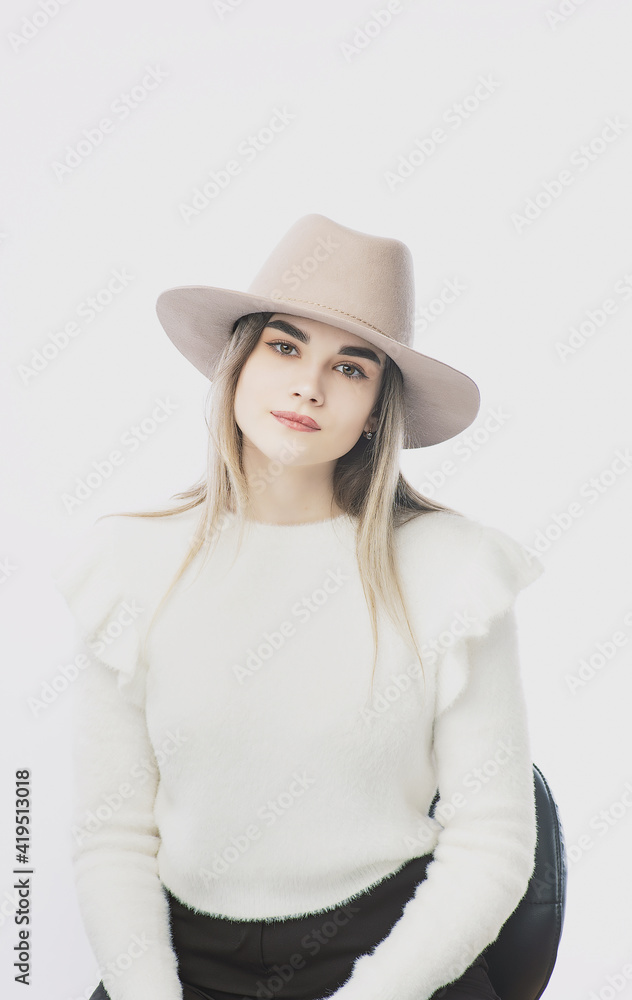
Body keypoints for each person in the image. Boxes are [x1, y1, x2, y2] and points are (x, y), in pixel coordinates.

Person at [52, 214, 545, 1000]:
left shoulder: (455, 568)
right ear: (237, 364)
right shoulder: (125, 564)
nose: (308, 386)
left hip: (398, 959)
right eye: (284, 347)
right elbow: (113, 833)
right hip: (181, 967)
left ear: (379, 407)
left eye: (350, 368)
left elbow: (493, 843)